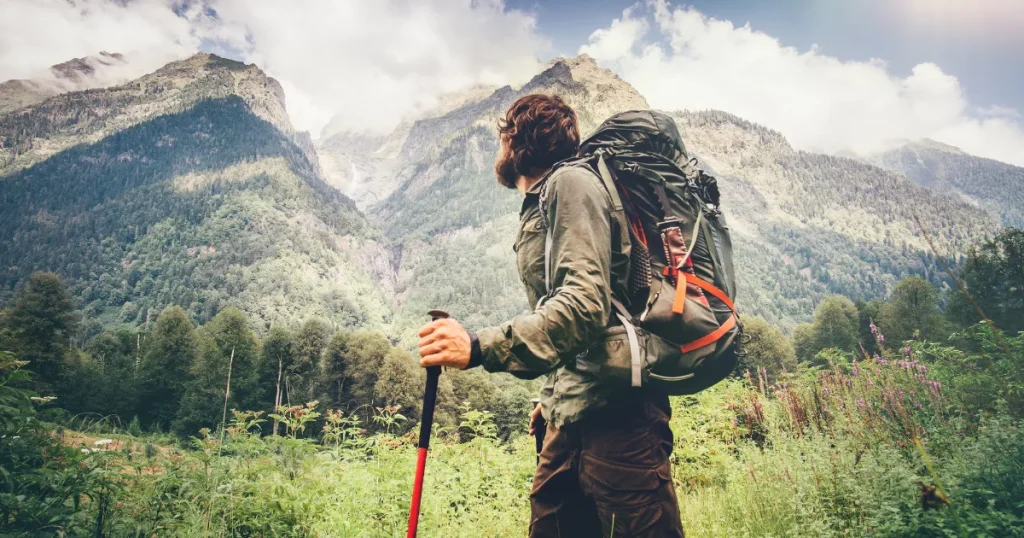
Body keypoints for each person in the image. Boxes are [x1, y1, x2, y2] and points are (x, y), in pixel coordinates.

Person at [417, 94, 685, 538]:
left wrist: (480, 346)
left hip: (622, 422)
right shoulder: (547, 198)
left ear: (518, 141)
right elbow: (576, 304)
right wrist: (554, 393)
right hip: (571, 415)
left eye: (502, 138)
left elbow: (584, 305)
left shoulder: (570, 185)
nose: (498, 150)